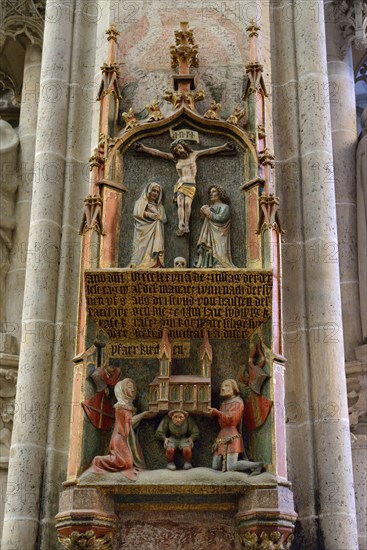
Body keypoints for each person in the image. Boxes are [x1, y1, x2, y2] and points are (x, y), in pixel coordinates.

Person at [135, 139, 233, 236]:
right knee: (180, 204)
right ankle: (181, 223)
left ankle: (187, 225)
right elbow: (159, 153)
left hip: (190, 184)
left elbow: (209, 151)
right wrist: (144, 148)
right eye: (176, 150)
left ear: (183, 146)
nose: (179, 151)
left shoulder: (194, 154)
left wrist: (223, 147)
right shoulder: (176, 159)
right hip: (180, 184)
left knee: (187, 204)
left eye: (179, 148)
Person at [91, 378, 152, 480]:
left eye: (133, 388)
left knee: (135, 462)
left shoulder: (130, 406)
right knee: (125, 463)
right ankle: (98, 461)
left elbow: (132, 426)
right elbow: (129, 422)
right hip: (120, 438)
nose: (132, 390)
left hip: (129, 437)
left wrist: (146, 416)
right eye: (129, 387)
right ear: (122, 390)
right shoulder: (120, 407)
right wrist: (143, 415)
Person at [209, 379, 263, 474]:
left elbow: (232, 419)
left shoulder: (238, 402)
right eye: (222, 386)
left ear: (234, 388)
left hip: (232, 436)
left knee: (231, 466)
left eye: (227, 386)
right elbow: (221, 420)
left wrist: (217, 413)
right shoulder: (223, 404)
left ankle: (256, 465)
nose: (223, 388)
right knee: (215, 466)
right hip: (222, 436)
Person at [196, 185, 235, 268]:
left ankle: (219, 263)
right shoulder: (212, 208)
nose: (211, 194)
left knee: (219, 249)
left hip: (220, 233)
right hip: (209, 232)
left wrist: (209, 213)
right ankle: (207, 264)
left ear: (220, 193)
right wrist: (204, 212)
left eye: (213, 191)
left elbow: (221, 218)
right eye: (210, 192)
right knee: (208, 247)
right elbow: (210, 216)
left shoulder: (224, 207)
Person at [130, 182, 167, 268]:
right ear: (148, 191)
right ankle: (139, 263)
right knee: (141, 248)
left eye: (158, 192)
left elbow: (164, 219)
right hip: (143, 230)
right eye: (153, 191)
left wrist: (156, 214)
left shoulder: (160, 207)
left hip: (156, 232)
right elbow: (136, 213)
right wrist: (148, 214)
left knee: (158, 223)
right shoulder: (141, 202)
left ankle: (155, 263)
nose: (155, 193)